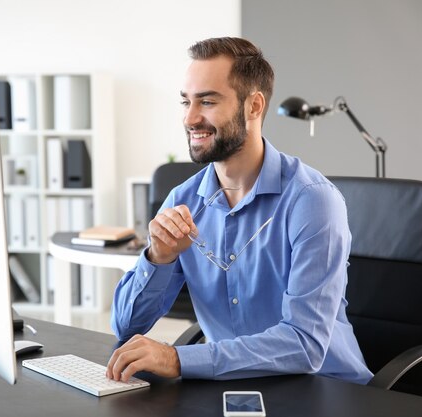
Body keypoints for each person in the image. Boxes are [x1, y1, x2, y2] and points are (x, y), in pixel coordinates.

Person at [106, 37, 372, 384]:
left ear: (254, 106)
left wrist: (178, 359)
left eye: (208, 101)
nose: (190, 118)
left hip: (323, 388)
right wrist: (158, 258)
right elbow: (127, 327)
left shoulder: (313, 201)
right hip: (229, 386)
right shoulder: (183, 200)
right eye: (186, 102)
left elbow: (305, 344)